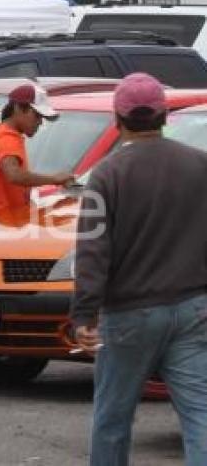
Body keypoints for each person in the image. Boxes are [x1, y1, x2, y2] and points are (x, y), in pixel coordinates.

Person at [71, 73, 207, 466]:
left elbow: (93, 250)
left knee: (113, 416)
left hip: (129, 313)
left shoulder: (106, 175)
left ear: (118, 118)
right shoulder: (200, 165)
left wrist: (84, 312)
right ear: (165, 116)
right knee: (199, 413)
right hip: (193, 308)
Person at [0, 83, 74, 215]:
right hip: (9, 221)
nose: (40, 122)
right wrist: (54, 179)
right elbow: (14, 175)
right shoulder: (8, 137)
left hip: (2, 218)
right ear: (18, 108)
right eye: (37, 116)